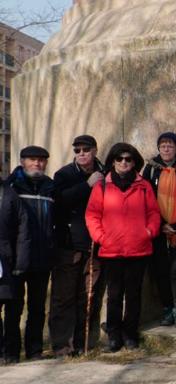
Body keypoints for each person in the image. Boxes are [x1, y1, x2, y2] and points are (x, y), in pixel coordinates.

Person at [86, 143, 161, 352]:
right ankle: (113, 335)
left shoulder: (144, 185)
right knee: (114, 294)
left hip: (138, 249)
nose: (124, 163)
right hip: (111, 250)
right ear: (113, 161)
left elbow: (154, 213)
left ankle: (130, 334)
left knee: (134, 294)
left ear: (134, 162)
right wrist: (101, 237)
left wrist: (149, 232)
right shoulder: (102, 186)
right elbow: (92, 215)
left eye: (128, 159)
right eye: (119, 159)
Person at [49, 135, 106, 357]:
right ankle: (62, 345)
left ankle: (84, 343)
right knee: (64, 297)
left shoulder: (104, 171)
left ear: (95, 150)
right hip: (69, 244)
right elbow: (60, 203)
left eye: (86, 149)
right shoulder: (64, 175)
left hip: (95, 245)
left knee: (88, 296)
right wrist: (87, 185)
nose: (81, 153)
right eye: (77, 150)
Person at [142, 132, 176, 328]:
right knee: (161, 270)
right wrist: (159, 224)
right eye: (163, 145)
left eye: (170, 146)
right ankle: (167, 308)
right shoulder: (150, 168)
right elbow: (145, 198)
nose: (166, 149)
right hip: (157, 228)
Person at [4, 146, 54, 361]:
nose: (37, 164)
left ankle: (34, 351)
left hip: (42, 258)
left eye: (41, 160)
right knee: (14, 308)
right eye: (32, 160)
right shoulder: (11, 186)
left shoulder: (50, 187)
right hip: (16, 259)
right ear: (22, 161)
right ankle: (12, 352)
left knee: (37, 308)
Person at [0, 171, 30, 364]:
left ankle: (11, 352)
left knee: (12, 309)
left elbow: (23, 231)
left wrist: (20, 262)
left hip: (8, 262)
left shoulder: (9, 195)